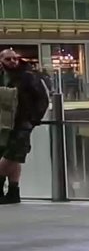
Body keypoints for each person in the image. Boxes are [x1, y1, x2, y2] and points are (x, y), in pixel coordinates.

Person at [0, 48, 50, 205]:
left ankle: (8, 190)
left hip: (22, 123)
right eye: (8, 59)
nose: (12, 61)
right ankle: (13, 192)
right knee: (13, 158)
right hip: (5, 124)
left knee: (10, 157)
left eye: (14, 58)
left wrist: (33, 120)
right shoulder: (3, 76)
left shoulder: (28, 76)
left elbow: (42, 99)